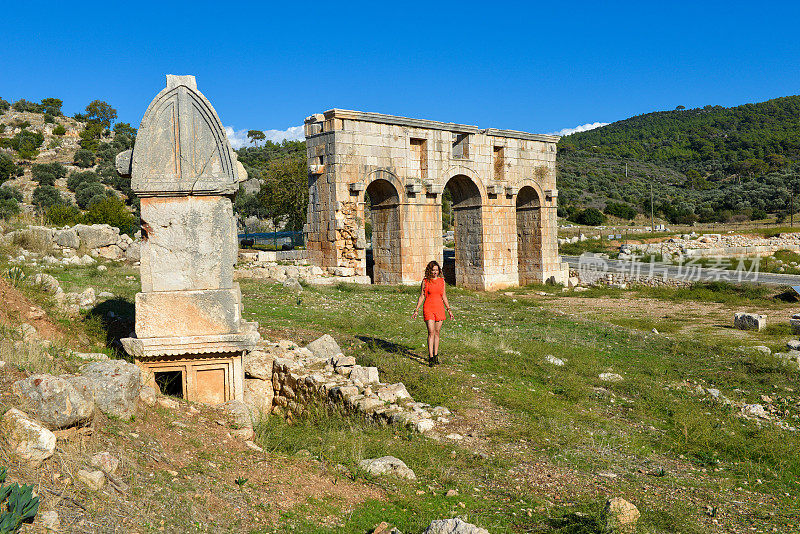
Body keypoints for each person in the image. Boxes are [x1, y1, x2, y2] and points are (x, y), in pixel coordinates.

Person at [412, 260, 454, 366]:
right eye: (433, 270)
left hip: (439, 308)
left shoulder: (442, 281)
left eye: (436, 270)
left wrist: (449, 310)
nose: (435, 272)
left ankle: (436, 356)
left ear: (439, 271)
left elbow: (444, 296)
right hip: (428, 308)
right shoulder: (425, 281)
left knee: (437, 333)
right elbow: (422, 296)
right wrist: (416, 309)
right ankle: (430, 357)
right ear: (429, 271)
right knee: (431, 332)